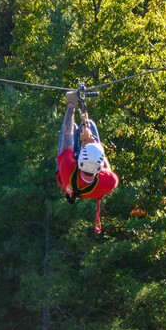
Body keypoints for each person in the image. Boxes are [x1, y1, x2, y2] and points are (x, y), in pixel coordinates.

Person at [56, 89, 118, 231]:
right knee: (89, 123)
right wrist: (91, 140)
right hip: (87, 187)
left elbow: (66, 134)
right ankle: (88, 133)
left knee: (73, 128)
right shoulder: (109, 181)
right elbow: (105, 166)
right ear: (99, 166)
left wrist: (71, 104)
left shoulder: (67, 167)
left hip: (67, 178)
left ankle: (85, 134)